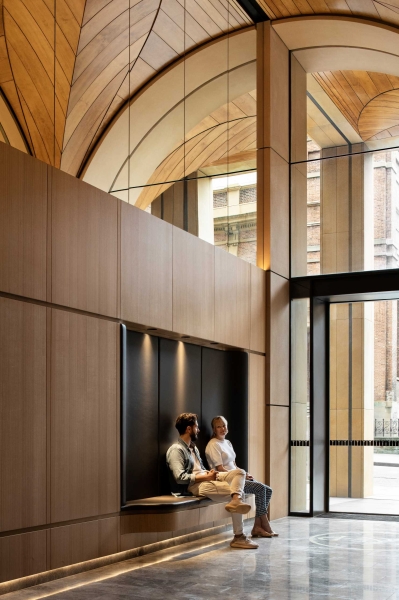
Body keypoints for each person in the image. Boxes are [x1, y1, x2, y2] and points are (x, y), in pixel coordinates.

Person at [166, 412, 258, 550]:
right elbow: (180, 478)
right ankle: (239, 537)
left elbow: (200, 468)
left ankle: (236, 500)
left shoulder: (193, 448)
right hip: (195, 485)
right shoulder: (176, 450)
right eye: (196, 427)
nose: (199, 430)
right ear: (189, 429)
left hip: (207, 477)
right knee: (237, 491)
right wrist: (206, 477)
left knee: (240, 473)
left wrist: (209, 474)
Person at [205, 415, 278, 538]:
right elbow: (220, 469)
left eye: (224, 425)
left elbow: (233, 464)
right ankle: (264, 523)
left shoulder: (227, 442)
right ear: (214, 429)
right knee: (260, 489)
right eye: (219, 427)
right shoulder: (213, 445)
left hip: (237, 476)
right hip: (227, 480)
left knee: (268, 490)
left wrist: (244, 473)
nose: (222, 428)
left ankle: (257, 526)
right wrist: (240, 476)